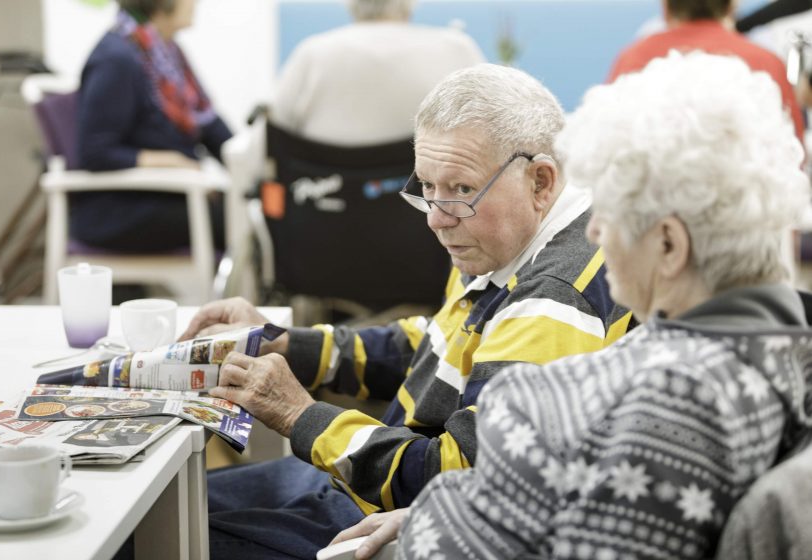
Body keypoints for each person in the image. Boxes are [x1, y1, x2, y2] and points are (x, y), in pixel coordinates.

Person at [339, 51, 810, 559]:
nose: (594, 232)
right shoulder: (786, 358)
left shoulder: (642, 413)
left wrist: (431, 519)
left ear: (669, 247)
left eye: (608, 213)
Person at [180, 63, 635, 559]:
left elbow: (455, 482)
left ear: (540, 182)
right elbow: (435, 345)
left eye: (461, 190)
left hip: (388, 522)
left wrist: (299, 414)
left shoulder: (552, 299)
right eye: (427, 187)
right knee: (168, 507)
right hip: (361, 485)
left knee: (158, 532)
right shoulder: (504, 238)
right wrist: (287, 342)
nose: (437, 219)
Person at [73, 0, 231, 253]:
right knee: (241, 220)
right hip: (122, 209)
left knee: (255, 209)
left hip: (163, 196)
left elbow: (208, 124)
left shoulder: (166, 54)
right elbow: (95, 151)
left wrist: (250, 159)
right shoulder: (117, 59)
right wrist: (169, 160)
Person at [269, 0, 484, 146]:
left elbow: (274, 131)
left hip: (324, 200)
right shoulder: (456, 48)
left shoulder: (312, 53)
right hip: (431, 202)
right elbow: (488, 125)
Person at [607, 0, 806, 146]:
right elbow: (794, 154)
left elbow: (605, 144)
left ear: (665, 7)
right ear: (731, 6)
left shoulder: (633, 59)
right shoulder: (765, 63)